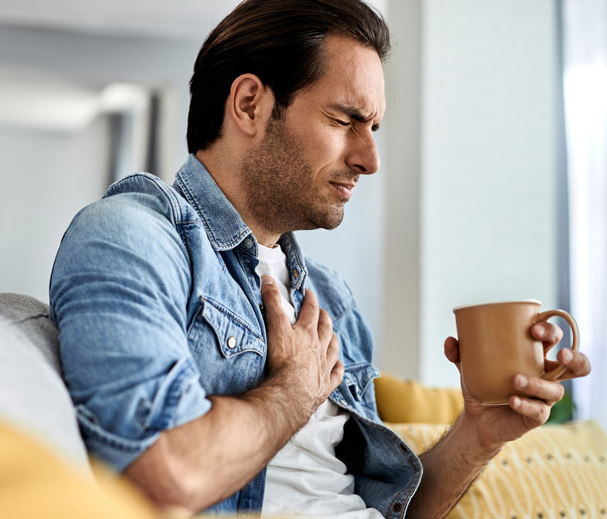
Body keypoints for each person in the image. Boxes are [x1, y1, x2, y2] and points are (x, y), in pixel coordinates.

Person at [49, 1, 592, 517]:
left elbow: (378, 506)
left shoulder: (329, 300)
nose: (369, 159)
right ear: (249, 104)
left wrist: (480, 432)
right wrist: (291, 395)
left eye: (373, 127)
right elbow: (158, 473)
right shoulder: (132, 237)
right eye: (343, 120)